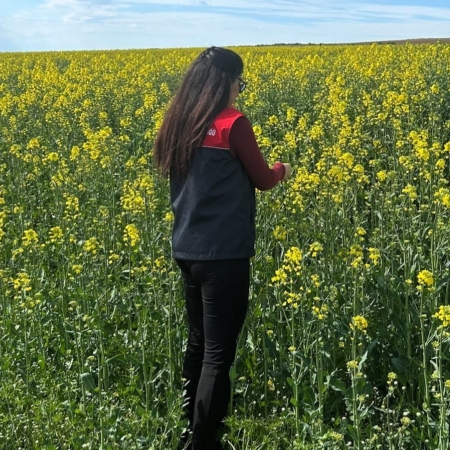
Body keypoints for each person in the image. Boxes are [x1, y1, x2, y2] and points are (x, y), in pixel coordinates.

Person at [153, 46, 292, 450]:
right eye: (238, 81)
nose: (238, 89)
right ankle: (203, 441)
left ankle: (189, 427)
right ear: (224, 82)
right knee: (218, 352)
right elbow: (263, 179)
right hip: (224, 254)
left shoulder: (179, 121)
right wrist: (282, 169)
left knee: (197, 343)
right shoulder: (233, 123)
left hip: (186, 249)